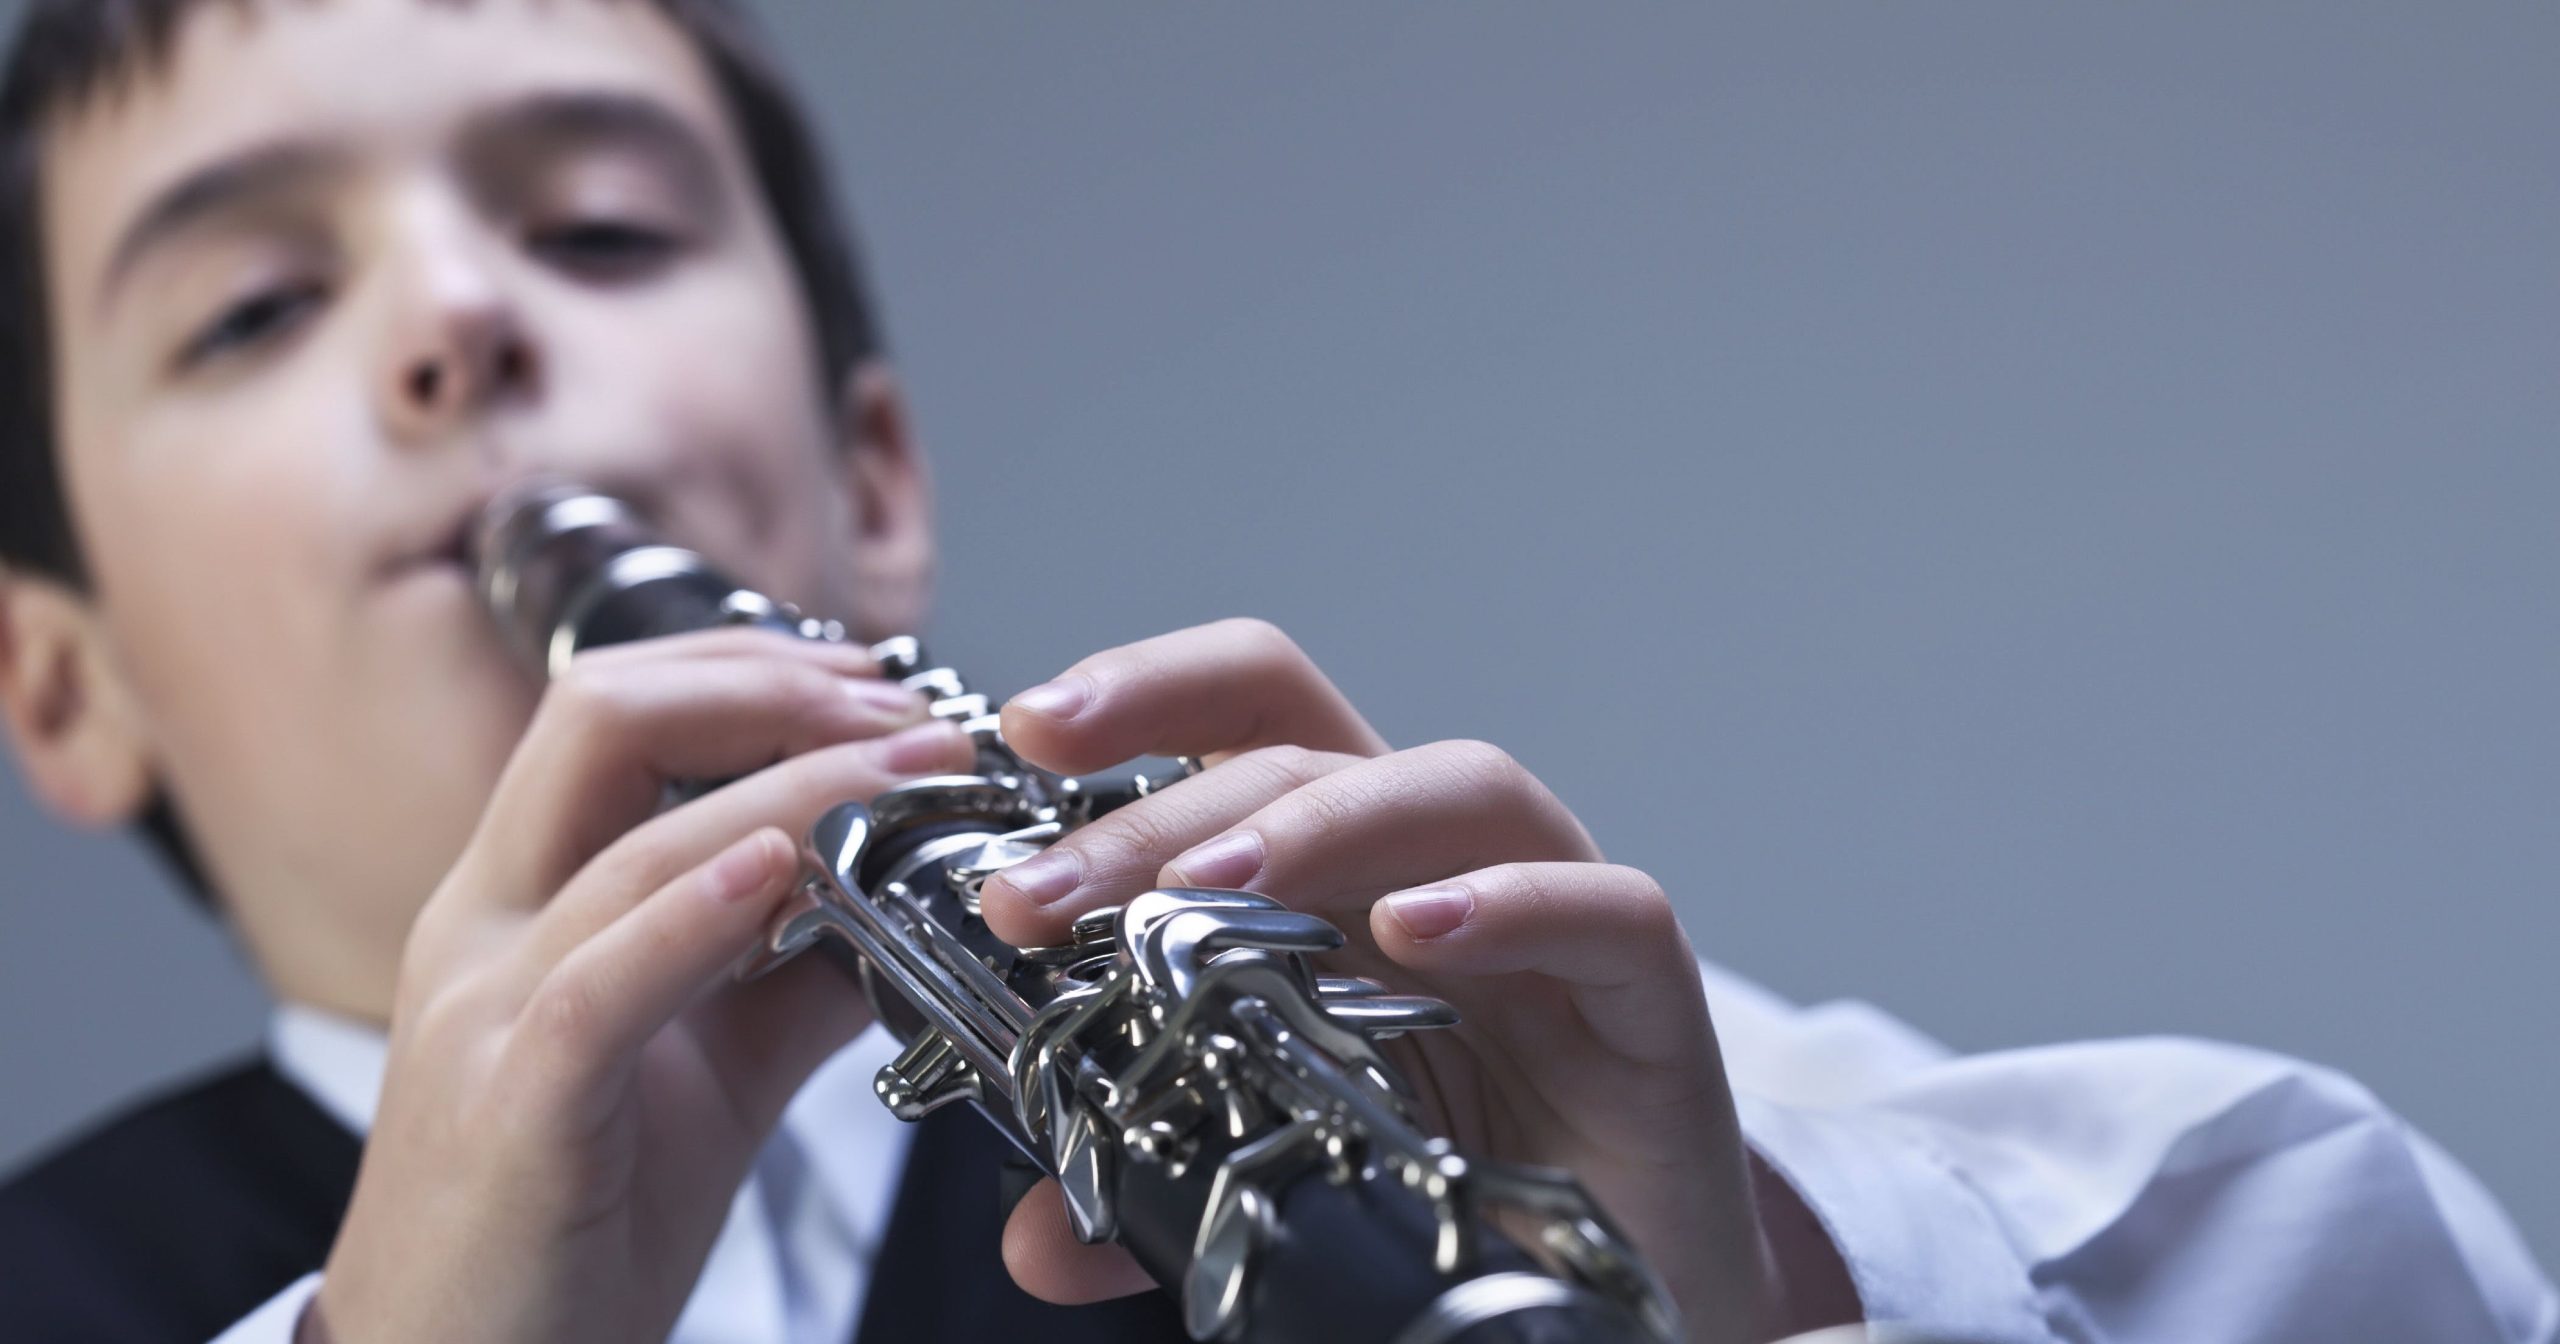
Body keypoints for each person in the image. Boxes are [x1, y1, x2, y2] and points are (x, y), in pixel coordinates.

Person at [0, 1, 2545, 1341]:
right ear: (59, 684)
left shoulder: (1407, 1071)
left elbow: (2387, 1279)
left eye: (599, 232)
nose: (459, 318)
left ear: (869, 485)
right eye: (251, 307)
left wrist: (1748, 1278)